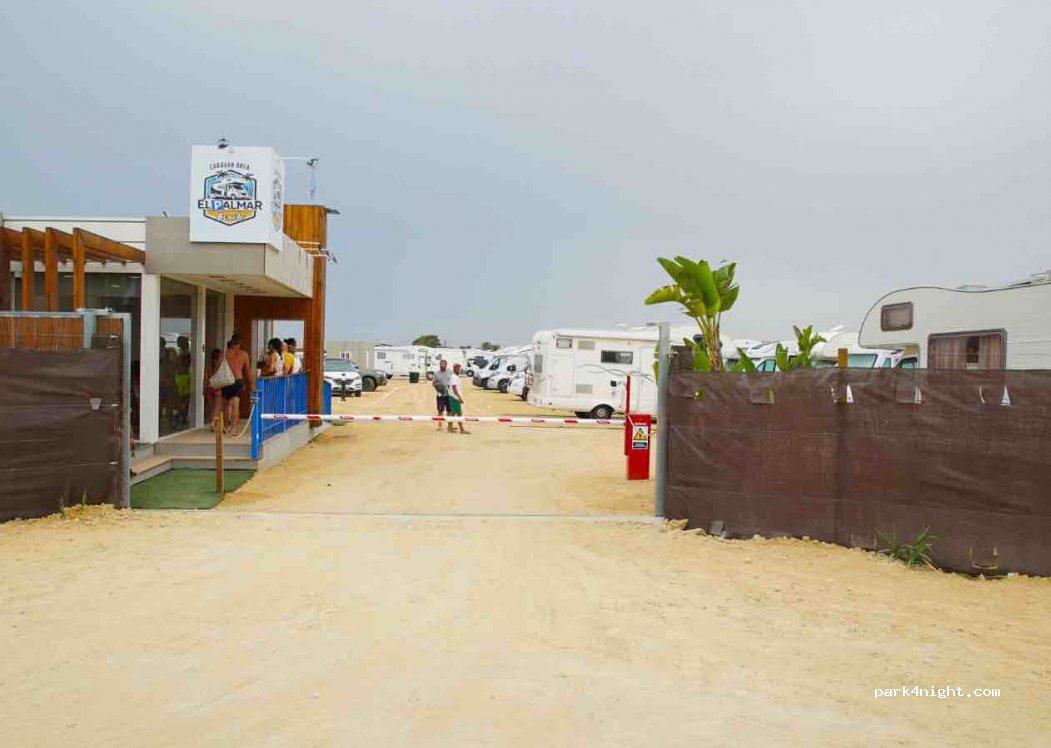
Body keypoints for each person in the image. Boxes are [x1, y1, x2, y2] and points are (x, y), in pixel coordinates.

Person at [220, 332, 254, 436]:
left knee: (226, 405)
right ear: (240, 342)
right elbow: (247, 371)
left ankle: (226, 427)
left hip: (226, 380)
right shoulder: (243, 354)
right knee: (235, 405)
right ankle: (233, 429)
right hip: (237, 380)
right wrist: (251, 384)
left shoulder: (225, 353)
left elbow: (218, 368)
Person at [446, 363, 468, 434]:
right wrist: (459, 397)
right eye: (458, 369)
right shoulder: (454, 377)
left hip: (453, 397)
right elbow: (454, 388)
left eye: (459, 369)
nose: (459, 370)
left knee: (452, 413)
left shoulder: (454, 377)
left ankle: (449, 428)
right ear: (454, 369)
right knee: (459, 413)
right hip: (455, 398)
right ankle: (462, 429)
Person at [431, 359, 452, 431]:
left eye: (443, 364)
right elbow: (433, 383)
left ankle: (449, 425)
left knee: (449, 410)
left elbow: (453, 382)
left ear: (446, 365)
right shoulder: (437, 374)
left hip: (449, 394)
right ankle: (439, 425)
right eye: (441, 364)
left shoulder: (450, 372)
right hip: (440, 395)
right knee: (440, 410)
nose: (442, 365)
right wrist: (439, 386)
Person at [204, 348, 222, 423]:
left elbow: (206, 379)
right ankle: (213, 423)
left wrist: (204, 389)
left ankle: (211, 421)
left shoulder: (208, 367)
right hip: (217, 388)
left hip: (209, 388)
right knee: (217, 408)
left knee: (211, 408)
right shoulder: (220, 366)